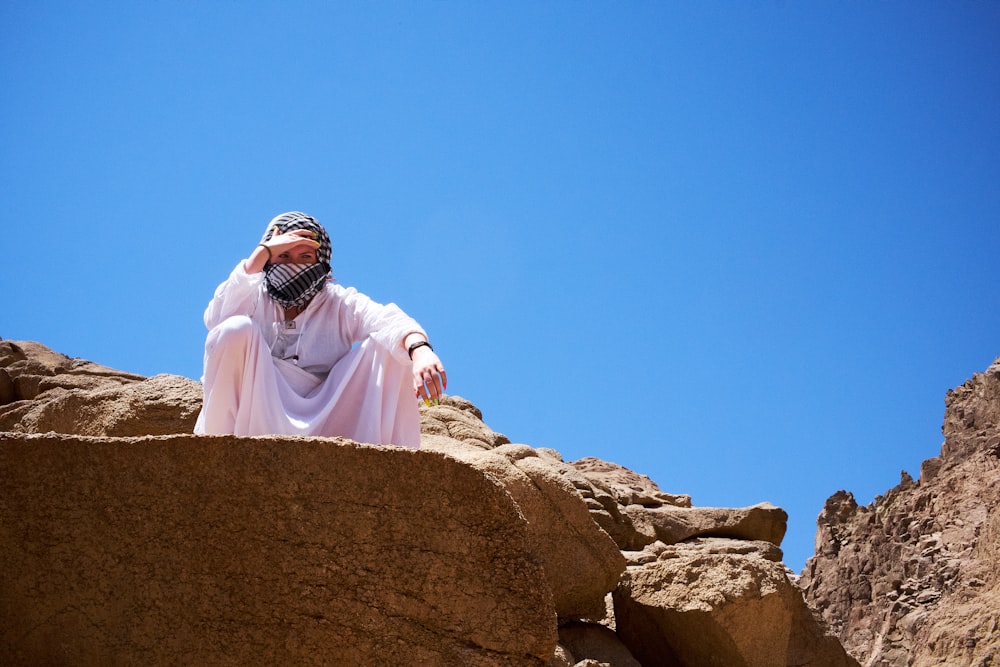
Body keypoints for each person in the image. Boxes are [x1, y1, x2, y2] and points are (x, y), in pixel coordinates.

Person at [193, 211, 446, 449]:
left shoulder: (339, 303)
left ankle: (394, 466)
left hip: (329, 420)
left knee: (392, 347)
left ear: (321, 261)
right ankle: (217, 450)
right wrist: (260, 254)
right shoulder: (252, 296)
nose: (294, 265)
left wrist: (419, 349)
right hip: (256, 413)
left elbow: (386, 320)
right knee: (235, 329)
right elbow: (216, 321)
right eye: (283, 256)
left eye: (305, 258)